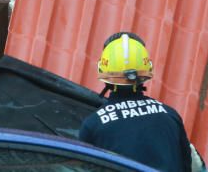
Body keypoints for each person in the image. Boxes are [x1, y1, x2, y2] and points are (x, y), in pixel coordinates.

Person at [79, 32, 193, 172]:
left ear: (102, 71)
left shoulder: (93, 125)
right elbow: (190, 165)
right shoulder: (170, 115)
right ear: (147, 70)